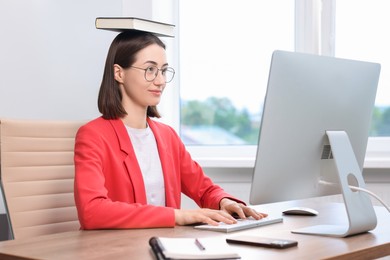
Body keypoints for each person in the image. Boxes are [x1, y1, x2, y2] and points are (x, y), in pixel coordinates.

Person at [74, 30, 267, 230]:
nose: (160, 81)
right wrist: (177, 215)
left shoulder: (167, 136)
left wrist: (224, 202)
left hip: (165, 247)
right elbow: (92, 211)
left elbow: (204, 189)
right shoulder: (93, 135)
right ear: (119, 73)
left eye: (163, 70)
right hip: (120, 250)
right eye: (150, 70)